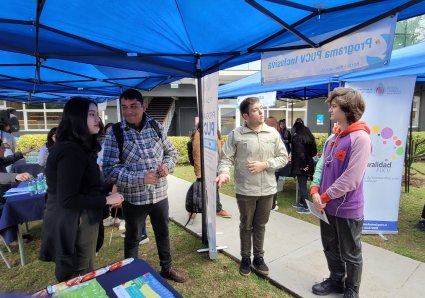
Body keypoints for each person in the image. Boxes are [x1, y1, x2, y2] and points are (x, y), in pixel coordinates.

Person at [103, 89, 187, 283]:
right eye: (124, 107)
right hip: (133, 198)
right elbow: (108, 170)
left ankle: (167, 268)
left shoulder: (156, 126)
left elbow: (171, 153)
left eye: (133, 106)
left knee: (163, 233)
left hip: (159, 195)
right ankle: (131, 276)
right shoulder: (115, 133)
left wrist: (167, 166)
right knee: (133, 238)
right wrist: (141, 177)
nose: (129, 111)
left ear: (144, 105)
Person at [39, 97, 124, 282]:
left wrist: (104, 194)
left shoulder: (78, 148)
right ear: (76, 118)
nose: (98, 120)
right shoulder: (71, 151)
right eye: (91, 114)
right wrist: (107, 200)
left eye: (97, 114)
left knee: (81, 270)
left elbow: (81, 187)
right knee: (79, 275)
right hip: (75, 223)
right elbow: (68, 199)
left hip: (76, 219)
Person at [310, 87, 371, 298]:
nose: (329, 110)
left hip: (347, 208)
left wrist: (323, 197)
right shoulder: (333, 138)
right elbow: (320, 166)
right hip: (325, 206)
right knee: (330, 247)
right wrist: (315, 189)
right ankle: (336, 280)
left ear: (348, 109)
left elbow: (351, 179)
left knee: (351, 253)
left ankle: (352, 290)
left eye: (334, 106)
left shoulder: (361, 139)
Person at [217, 97, 288, 277]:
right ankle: (245, 258)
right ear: (245, 115)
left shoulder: (272, 133)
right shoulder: (236, 134)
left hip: (268, 190)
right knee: (246, 225)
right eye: (256, 110)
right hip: (246, 190)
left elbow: (283, 157)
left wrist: (265, 165)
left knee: (261, 225)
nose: (261, 112)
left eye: (261, 108)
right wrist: (224, 172)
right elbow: (225, 158)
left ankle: (259, 257)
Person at [192, 123, 231, 219]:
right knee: (200, 189)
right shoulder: (199, 135)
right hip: (205, 168)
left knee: (214, 187)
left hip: (215, 166)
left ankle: (217, 209)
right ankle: (194, 209)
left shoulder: (215, 134)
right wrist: (199, 172)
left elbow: (220, 148)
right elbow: (197, 155)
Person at [291, 120, 317, 214]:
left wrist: (303, 165)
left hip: (301, 165)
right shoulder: (309, 136)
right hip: (309, 163)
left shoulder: (297, 137)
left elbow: (300, 153)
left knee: (302, 186)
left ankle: (307, 208)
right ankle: (302, 203)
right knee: (304, 184)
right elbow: (314, 152)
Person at [265, 116, 281, 211]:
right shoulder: (275, 135)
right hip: (272, 165)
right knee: (273, 184)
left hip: (266, 165)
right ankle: (272, 205)